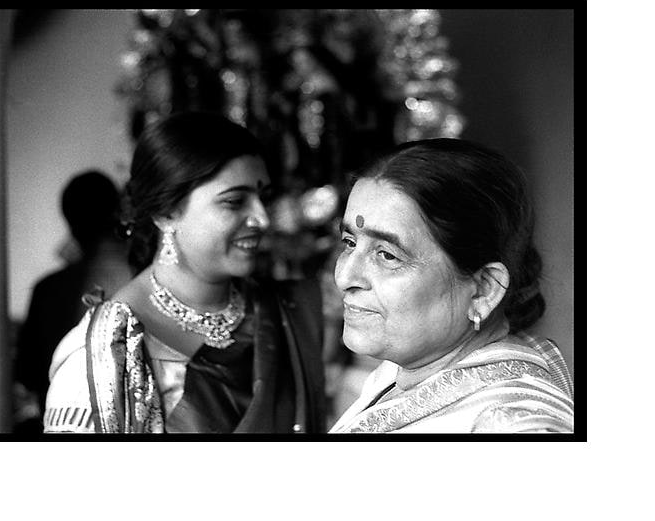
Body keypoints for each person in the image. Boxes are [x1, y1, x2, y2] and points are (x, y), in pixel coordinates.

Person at [43, 112, 326, 433]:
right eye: (235, 202)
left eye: (263, 197)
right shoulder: (107, 359)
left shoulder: (287, 313)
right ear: (166, 213)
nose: (261, 219)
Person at [329, 138, 574, 433]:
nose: (344, 278)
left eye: (387, 255)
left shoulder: (512, 427)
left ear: (485, 289)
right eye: (349, 242)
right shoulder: (395, 375)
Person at [14, 170, 133, 429]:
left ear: (70, 223)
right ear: (117, 211)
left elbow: (27, 373)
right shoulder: (144, 276)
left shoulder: (48, 289)